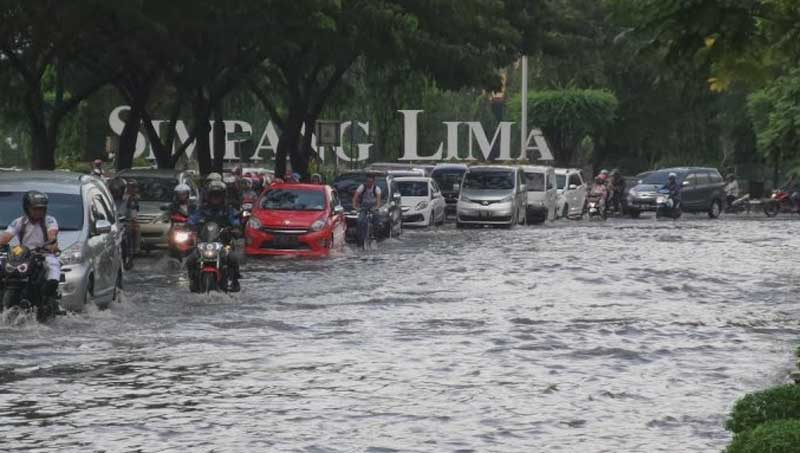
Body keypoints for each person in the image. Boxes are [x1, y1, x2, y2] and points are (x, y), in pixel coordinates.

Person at [0, 191, 60, 300]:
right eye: (35, 208)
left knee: (53, 265)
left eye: (41, 208)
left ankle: (48, 295)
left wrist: (52, 244)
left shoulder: (49, 220)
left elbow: (52, 234)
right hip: (23, 255)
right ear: (27, 208)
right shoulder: (19, 221)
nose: (38, 211)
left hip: (43, 254)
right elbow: (5, 237)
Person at [186, 180, 242, 292]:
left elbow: (235, 221)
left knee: (233, 258)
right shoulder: (202, 210)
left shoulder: (228, 210)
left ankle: (235, 281)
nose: (215, 198)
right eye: (213, 195)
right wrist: (188, 226)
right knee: (191, 259)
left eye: (218, 195)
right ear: (208, 196)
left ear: (223, 196)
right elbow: (192, 220)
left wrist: (235, 229)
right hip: (204, 244)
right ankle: (193, 280)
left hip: (224, 244)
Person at [353, 174, 382, 243]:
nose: (369, 183)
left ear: (373, 182)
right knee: (360, 221)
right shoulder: (362, 187)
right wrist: (355, 206)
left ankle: (375, 236)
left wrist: (376, 208)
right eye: (368, 182)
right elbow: (355, 197)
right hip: (364, 206)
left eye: (371, 182)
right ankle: (360, 238)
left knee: (377, 218)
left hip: (373, 206)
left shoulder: (377, 189)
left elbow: (378, 202)